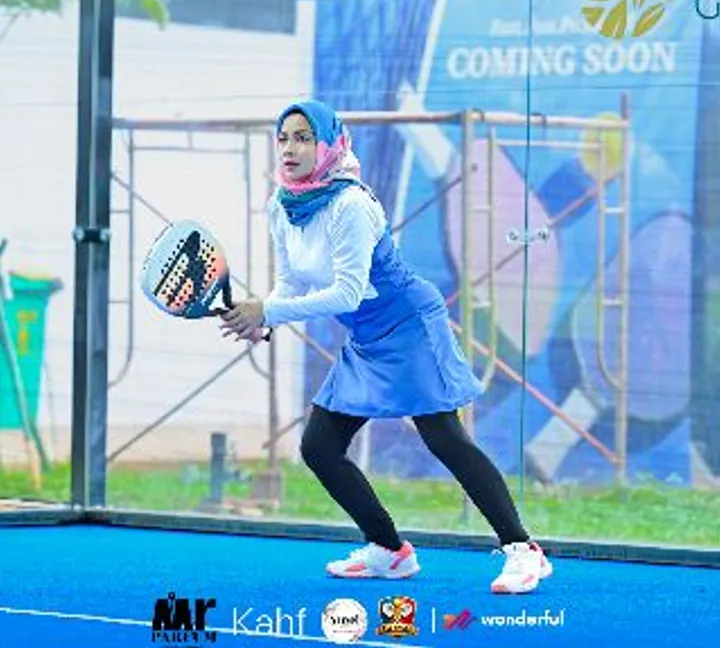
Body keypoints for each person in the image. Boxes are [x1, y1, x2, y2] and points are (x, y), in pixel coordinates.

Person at [219, 99, 552, 594]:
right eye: (284, 138)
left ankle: (523, 550)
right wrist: (265, 320)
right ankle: (389, 550)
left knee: (444, 438)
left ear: (329, 145)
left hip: (410, 325)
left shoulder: (350, 204)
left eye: (304, 138)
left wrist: (265, 312)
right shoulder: (282, 205)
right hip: (367, 337)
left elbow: (348, 293)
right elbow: (291, 283)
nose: (290, 148)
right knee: (319, 448)